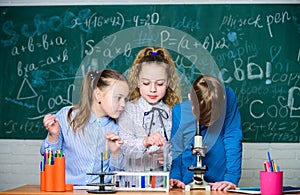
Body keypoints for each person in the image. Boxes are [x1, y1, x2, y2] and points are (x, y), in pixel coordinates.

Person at [40, 68, 129, 185]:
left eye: (125, 99)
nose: (123, 104)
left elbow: (117, 173)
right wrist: (53, 135)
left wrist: (115, 153)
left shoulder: (117, 129)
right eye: (118, 98)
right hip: (68, 191)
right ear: (98, 95)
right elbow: (48, 159)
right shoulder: (67, 116)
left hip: (100, 192)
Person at [118, 47, 181, 186]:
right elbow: (124, 146)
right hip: (130, 186)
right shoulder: (127, 109)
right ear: (138, 81)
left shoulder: (173, 113)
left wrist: (166, 158)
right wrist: (145, 141)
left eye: (160, 84)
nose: (153, 89)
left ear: (168, 82)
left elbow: (179, 153)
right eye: (146, 83)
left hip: (161, 186)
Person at [170, 75, 242, 191]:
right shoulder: (179, 112)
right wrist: (175, 177)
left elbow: (233, 137)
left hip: (219, 182)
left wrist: (231, 178)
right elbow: (176, 150)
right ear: (190, 99)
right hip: (186, 181)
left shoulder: (228, 98)